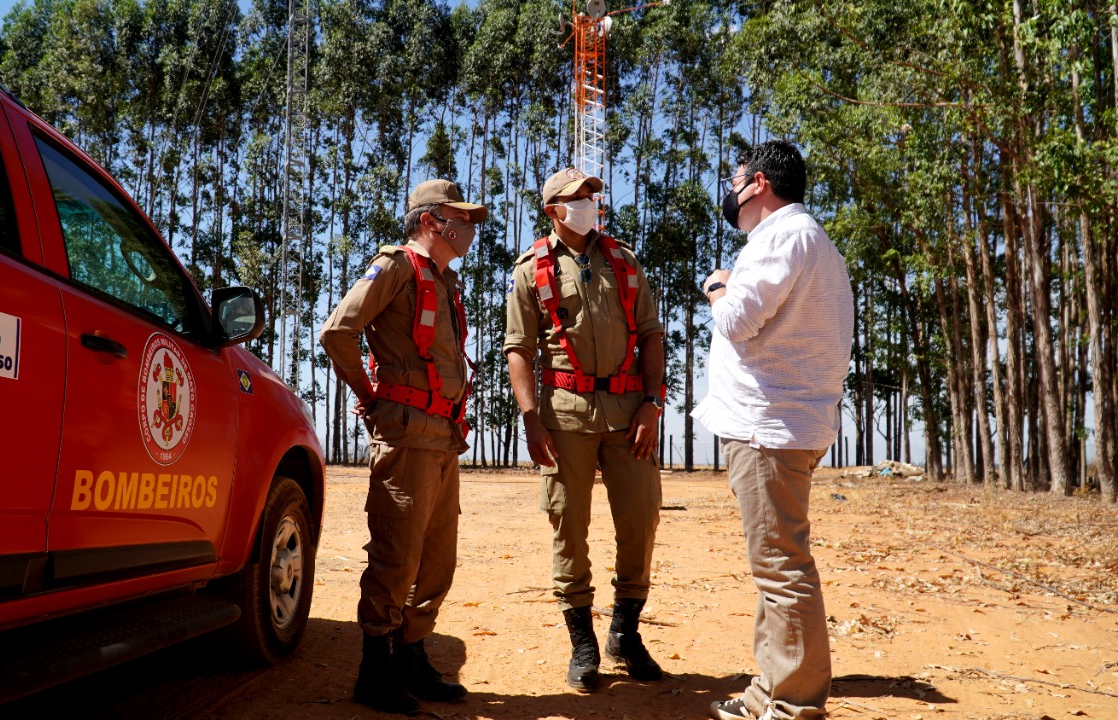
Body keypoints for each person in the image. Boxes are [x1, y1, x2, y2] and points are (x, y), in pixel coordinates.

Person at [692, 140, 853, 720]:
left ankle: (794, 706)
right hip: (788, 424)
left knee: (782, 568)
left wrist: (718, 286)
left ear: (757, 183)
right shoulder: (810, 239)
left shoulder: (781, 236)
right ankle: (770, 691)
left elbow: (736, 320)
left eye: (737, 180)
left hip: (769, 429)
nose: (731, 191)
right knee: (776, 564)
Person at [319, 179, 486, 715]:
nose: (470, 229)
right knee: (396, 557)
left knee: (437, 561)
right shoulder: (394, 266)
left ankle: (411, 656)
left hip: (442, 436)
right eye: (460, 218)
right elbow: (337, 331)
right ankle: (375, 670)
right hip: (406, 434)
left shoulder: (446, 282)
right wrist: (370, 395)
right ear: (431, 221)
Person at [504, 167, 666, 692]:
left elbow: (651, 336)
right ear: (554, 210)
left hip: (628, 414)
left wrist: (652, 404)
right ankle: (583, 643)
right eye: (579, 197)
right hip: (564, 415)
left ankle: (625, 632)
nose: (592, 201)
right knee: (569, 526)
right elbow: (518, 351)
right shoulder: (530, 270)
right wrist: (530, 418)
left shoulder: (625, 261)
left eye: (594, 193)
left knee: (641, 522)